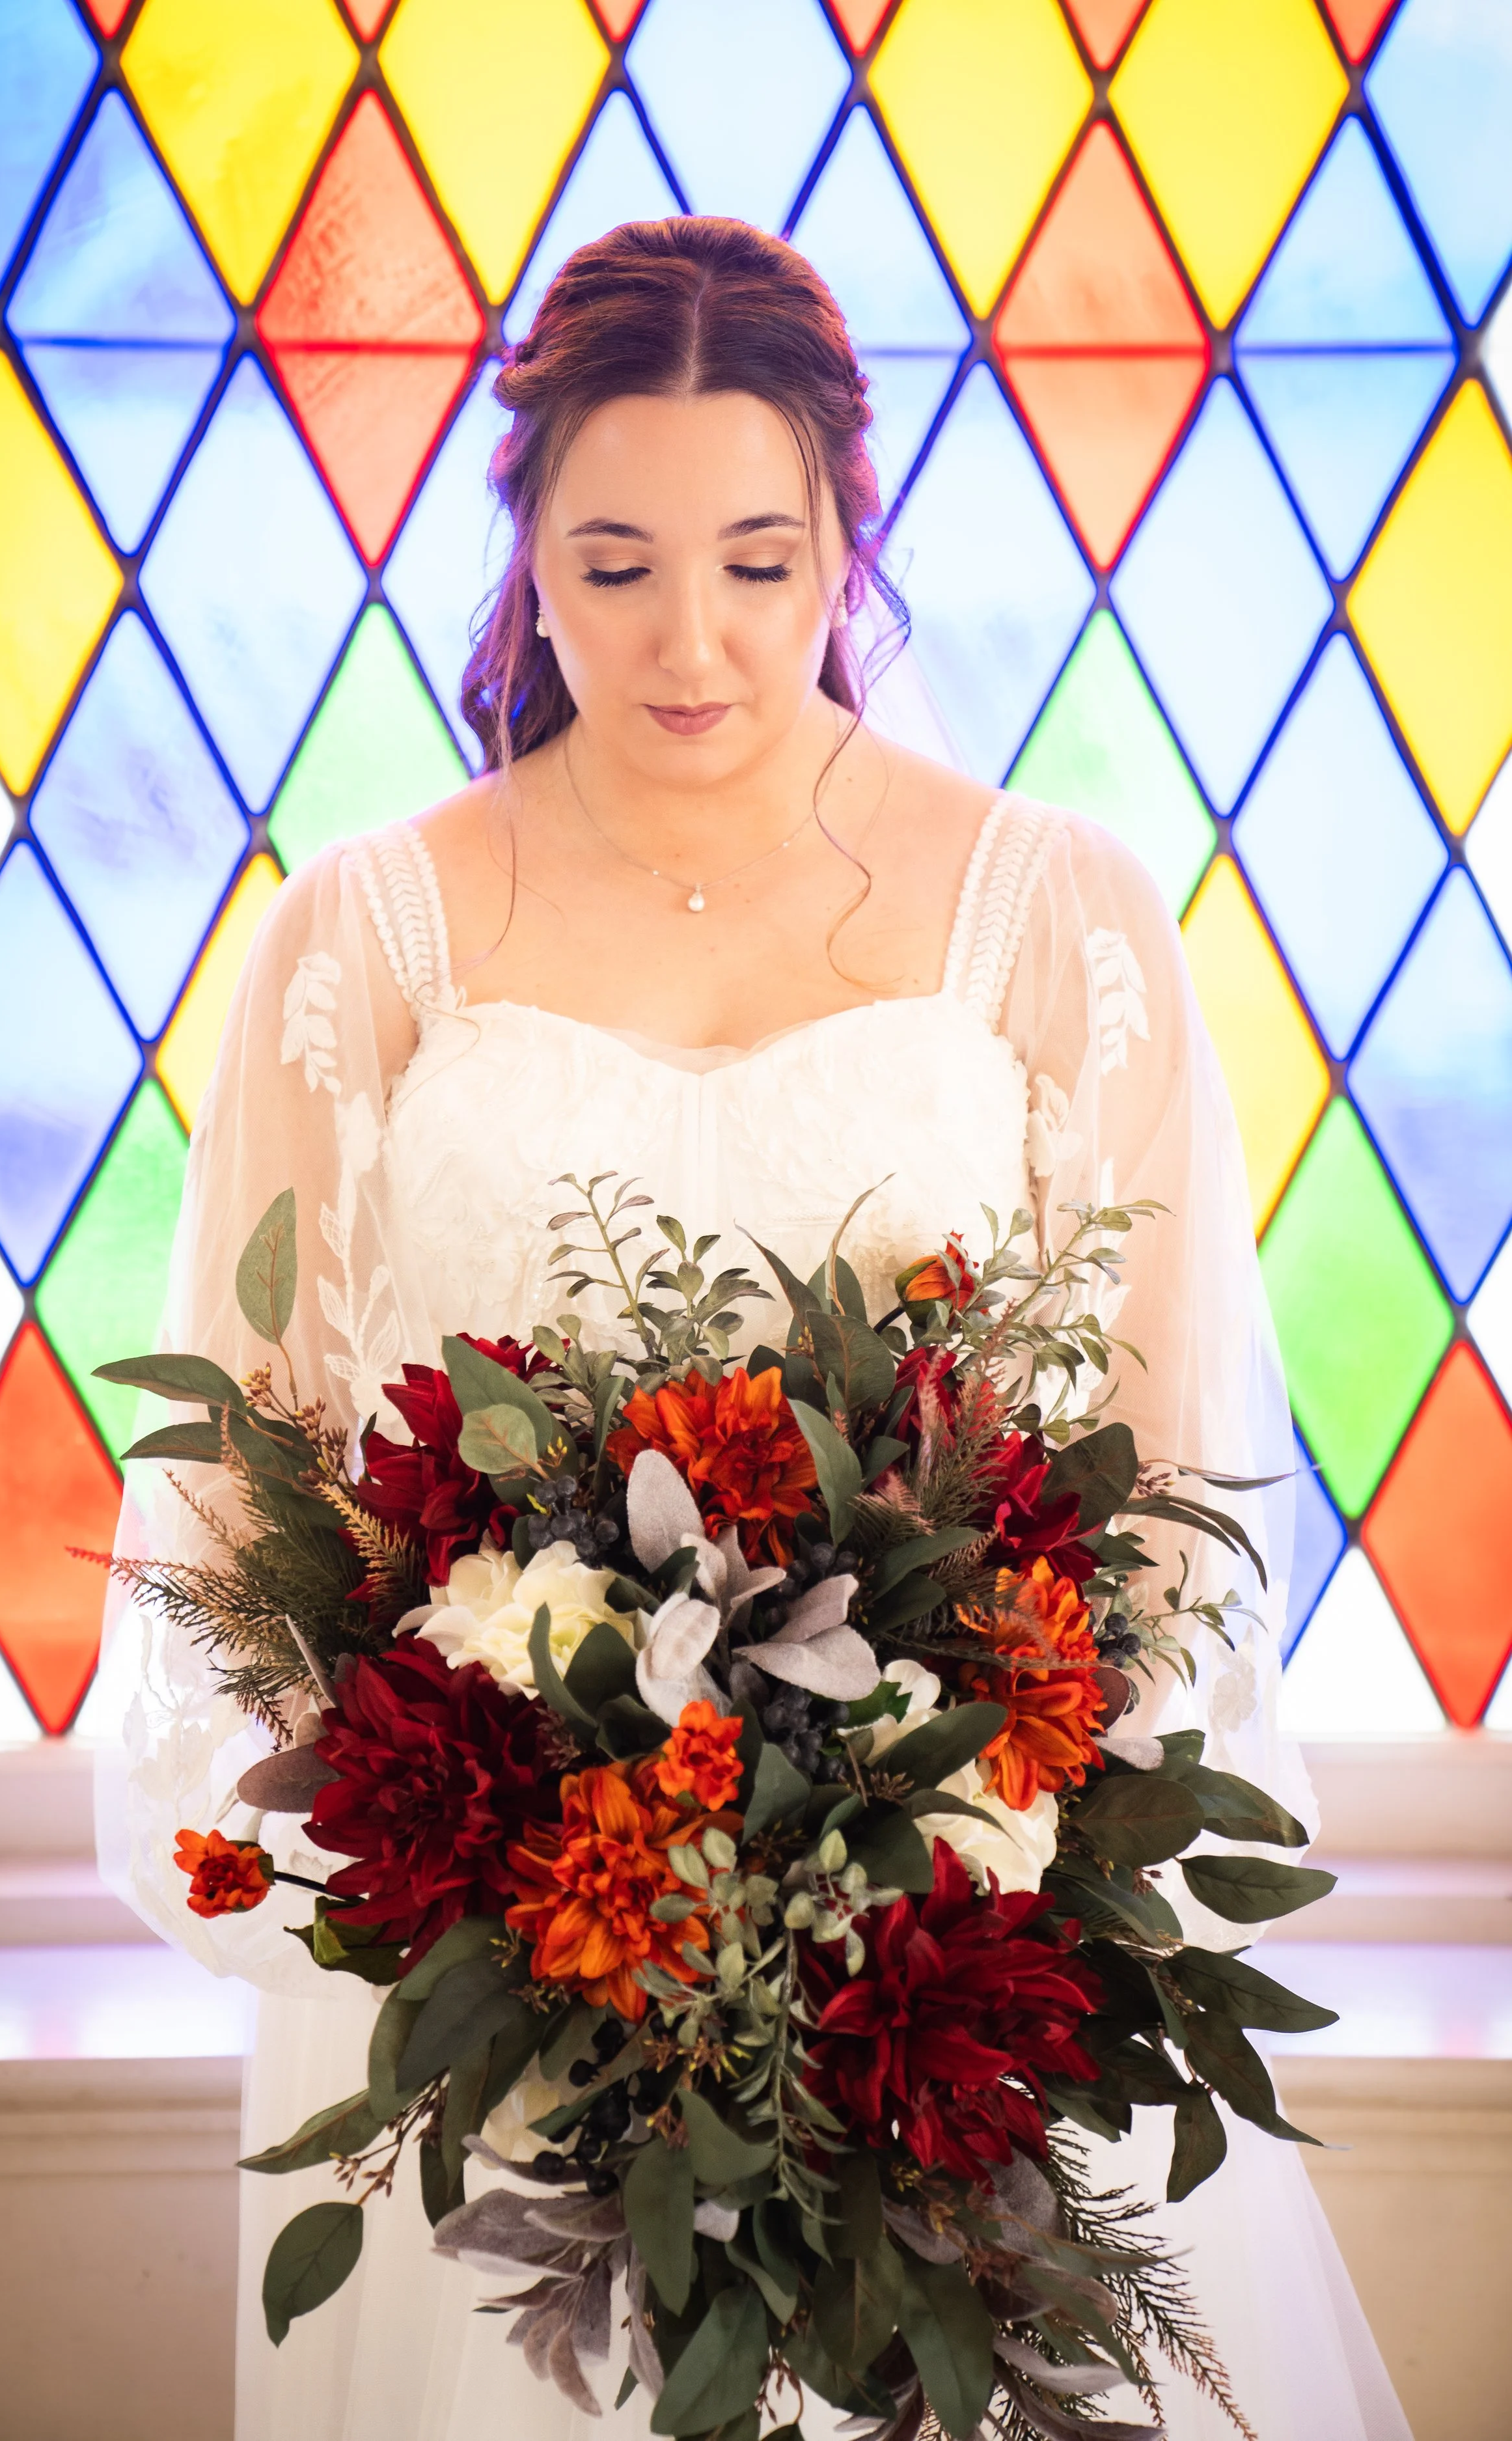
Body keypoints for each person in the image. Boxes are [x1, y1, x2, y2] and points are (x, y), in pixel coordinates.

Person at [99, 217, 1411, 2441]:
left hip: (943, 1994)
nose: (688, 638)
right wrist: (523, 1892)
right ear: (526, 554)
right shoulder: (364, 934)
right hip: (504, 2015)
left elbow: (1171, 1503)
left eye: (755, 561)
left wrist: (923, 1859)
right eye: (612, 567)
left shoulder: (1053, 915)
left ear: (845, 541)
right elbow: (253, 1515)